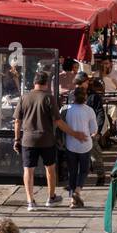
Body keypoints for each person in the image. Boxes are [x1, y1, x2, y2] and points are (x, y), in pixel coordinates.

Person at [13, 70, 89, 211]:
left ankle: (30, 202)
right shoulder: (49, 98)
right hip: (47, 139)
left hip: (28, 140)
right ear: (46, 83)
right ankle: (51, 197)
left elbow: (17, 121)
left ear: (34, 82)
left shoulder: (24, 97)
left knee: (28, 171)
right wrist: (74, 134)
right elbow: (58, 121)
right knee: (50, 169)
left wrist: (17, 139)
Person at [60, 84, 99, 209]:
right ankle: (77, 191)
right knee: (83, 170)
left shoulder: (65, 109)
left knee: (72, 172)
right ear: (85, 97)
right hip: (85, 145)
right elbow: (94, 129)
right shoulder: (89, 110)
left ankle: (72, 199)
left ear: (73, 97)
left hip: (70, 144)